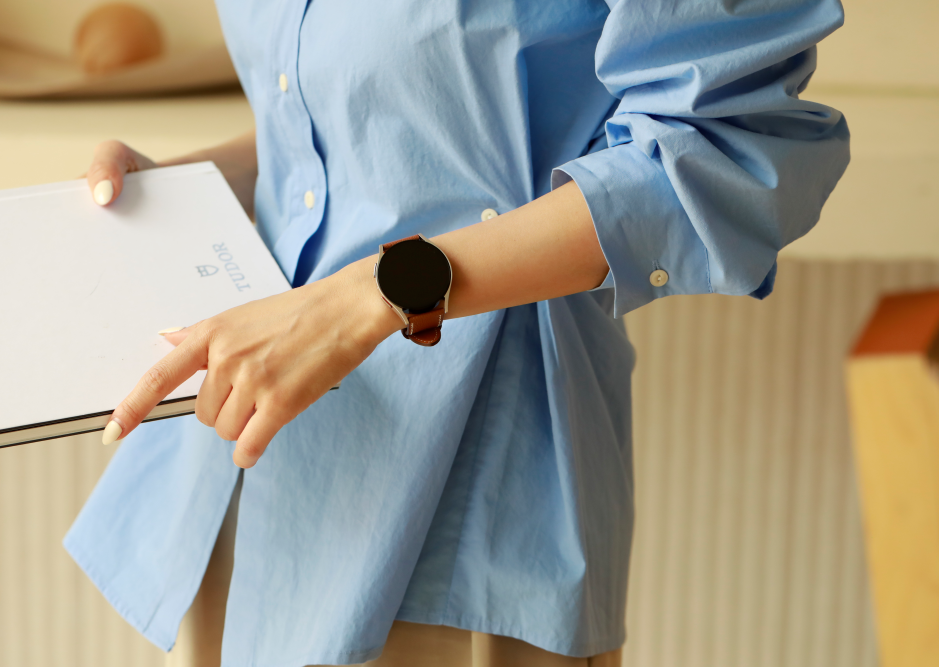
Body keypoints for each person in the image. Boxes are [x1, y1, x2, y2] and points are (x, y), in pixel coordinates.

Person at [64, 1, 850, 665]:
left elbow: (723, 145)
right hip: (245, 469)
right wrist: (178, 195)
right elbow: (363, 127)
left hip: (465, 480)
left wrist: (377, 294)